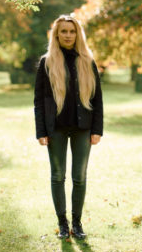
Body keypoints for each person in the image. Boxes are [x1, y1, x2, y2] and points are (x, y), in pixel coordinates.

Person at [33, 14, 103, 240]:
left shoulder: (88, 61)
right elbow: (39, 100)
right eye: (63, 31)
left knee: (79, 177)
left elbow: (98, 99)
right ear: (56, 34)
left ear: (77, 34)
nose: (68, 35)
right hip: (56, 129)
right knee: (57, 176)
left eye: (72, 31)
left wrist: (97, 130)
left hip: (83, 127)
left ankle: (77, 223)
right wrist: (41, 131)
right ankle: (62, 224)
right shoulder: (46, 62)